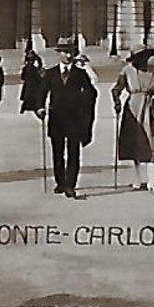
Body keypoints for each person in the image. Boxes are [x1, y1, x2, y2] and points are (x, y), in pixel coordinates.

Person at [113, 44, 154, 193]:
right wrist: (117, 102)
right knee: (134, 143)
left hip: (150, 108)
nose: (143, 60)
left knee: (151, 142)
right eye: (140, 57)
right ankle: (137, 179)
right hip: (132, 109)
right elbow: (116, 89)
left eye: (145, 57)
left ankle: (152, 180)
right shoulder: (126, 71)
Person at [43, 39, 98, 199]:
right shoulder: (50, 73)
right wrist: (40, 107)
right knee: (57, 152)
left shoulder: (80, 74)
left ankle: (70, 185)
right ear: (58, 54)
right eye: (65, 52)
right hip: (56, 118)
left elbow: (91, 92)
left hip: (74, 118)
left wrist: (83, 103)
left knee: (73, 152)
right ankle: (60, 182)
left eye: (71, 52)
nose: (68, 55)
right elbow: (41, 92)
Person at [19, 44, 46, 117]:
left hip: (28, 86)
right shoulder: (35, 69)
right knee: (34, 101)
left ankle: (23, 111)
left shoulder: (26, 68)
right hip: (34, 87)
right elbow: (39, 78)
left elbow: (23, 77)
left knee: (27, 100)